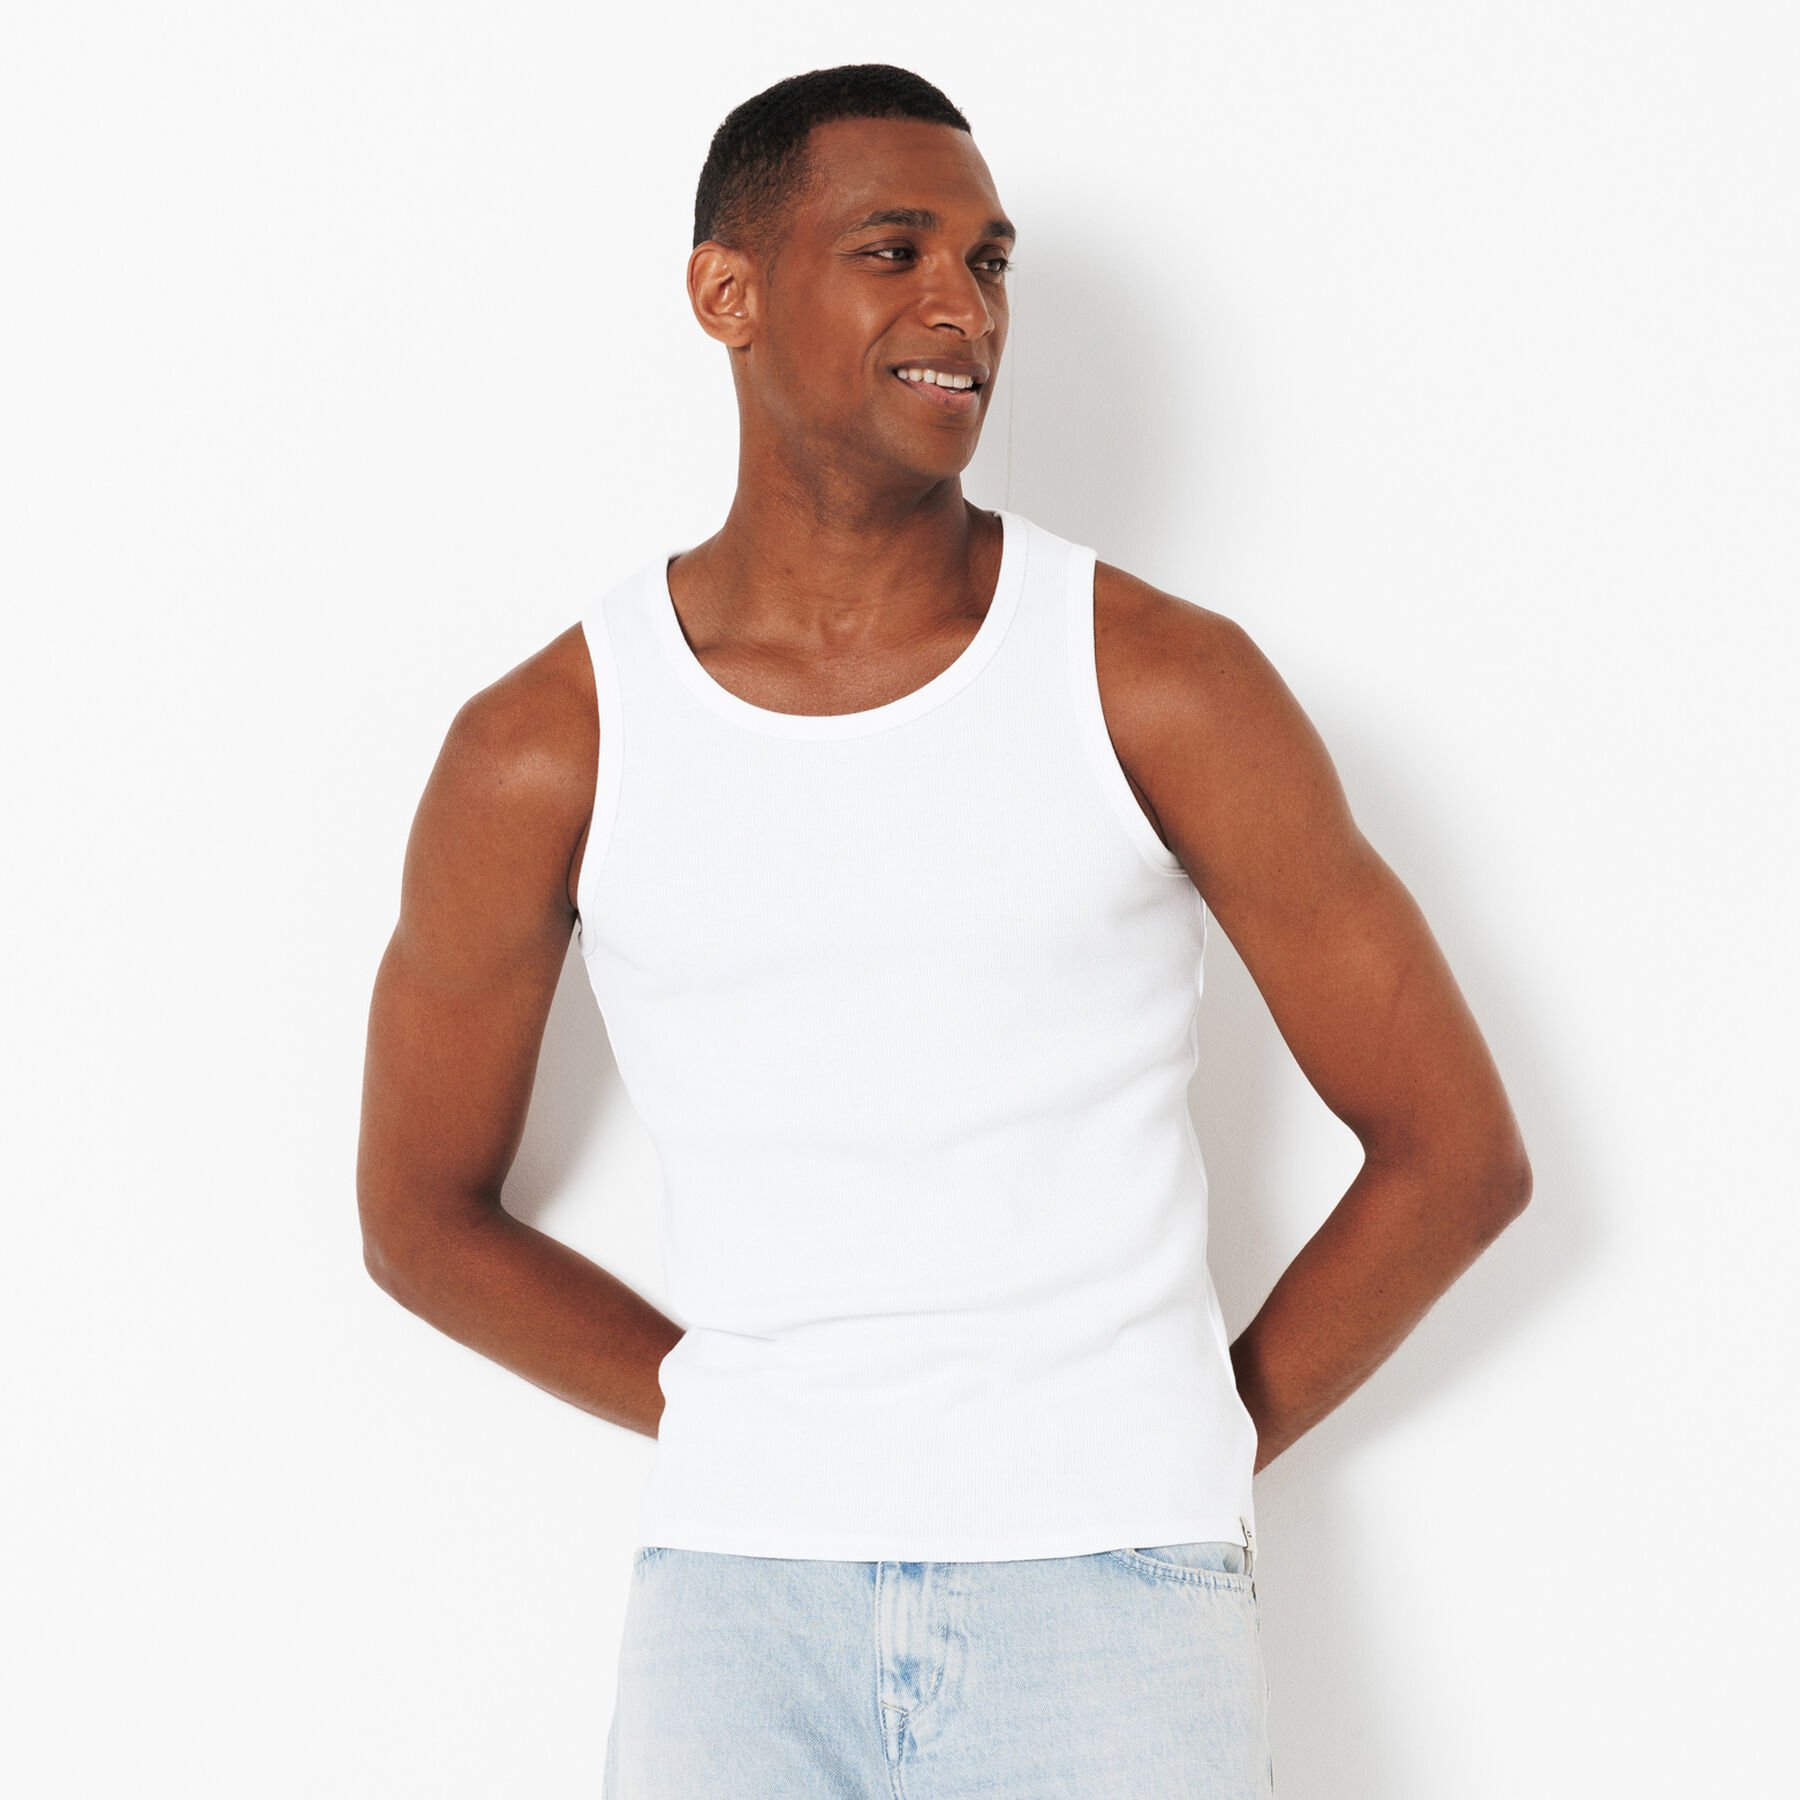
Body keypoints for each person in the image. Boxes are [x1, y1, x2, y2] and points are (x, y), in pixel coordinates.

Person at [357, 62, 1532, 1799]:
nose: (960, 308)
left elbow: (1456, 1155)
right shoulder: (548, 744)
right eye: (892, 251)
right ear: (727, 293)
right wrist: (746, 1414)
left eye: (988, 264)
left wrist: (1182, 1445)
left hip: (1113, 1599)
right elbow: (419, 1218)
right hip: (738, 1602)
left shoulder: (1160, 683)